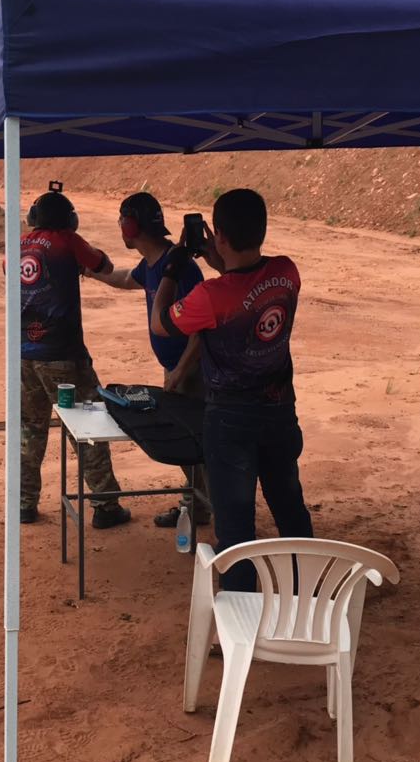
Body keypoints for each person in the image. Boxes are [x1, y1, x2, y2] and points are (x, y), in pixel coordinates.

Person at [149, 188, 313, 590]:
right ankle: (308, 596)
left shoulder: (210, 296)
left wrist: (172, 267)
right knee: (290, 509)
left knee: (236, 529)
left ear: (219, 235)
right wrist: (217, 257)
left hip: (230, 422)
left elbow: (160, 322)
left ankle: (240, 611)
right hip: (279, 413)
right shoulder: (286, 273)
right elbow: (246, 282)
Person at [84, 191, 211, 528]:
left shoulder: (180, 268)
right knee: (189, 442)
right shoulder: (155, 263)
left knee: (199, 444)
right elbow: (128, 279)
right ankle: (197, 505)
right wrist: (93, 273)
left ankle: (209, 511)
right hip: (178, 368)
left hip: (193, 370)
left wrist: (180, 371)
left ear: (130, 226)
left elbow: (201, 329)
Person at [17, 188, 130, 528]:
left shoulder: (19, 246)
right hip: (63, 355)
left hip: (25, 354)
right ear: (69, 220)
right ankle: (105, 504)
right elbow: (103, 265)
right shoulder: (68, 240)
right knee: (89, 423)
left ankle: (24, 503)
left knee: (30, 429)